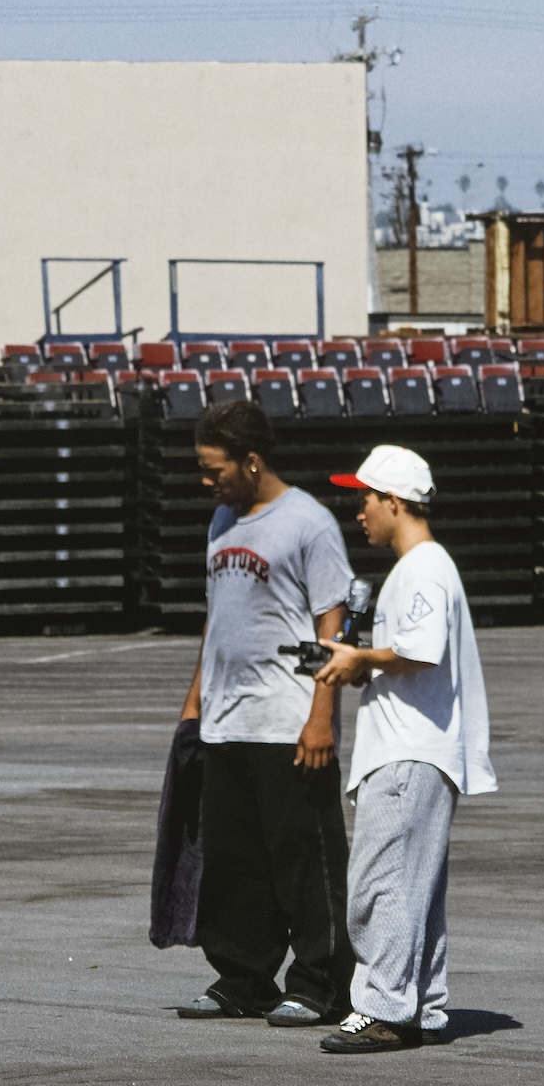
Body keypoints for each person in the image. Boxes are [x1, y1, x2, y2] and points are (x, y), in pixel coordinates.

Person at [176, 399, 358, 1026]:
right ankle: (243, 978)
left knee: (304, 858)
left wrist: (321, 715)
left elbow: (332, 623)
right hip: (227, 721)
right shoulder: (222, 520)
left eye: (214, 469)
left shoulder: (307, 522)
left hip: (288, 719)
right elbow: (219, 616)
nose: (207, 482)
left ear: (251, 462)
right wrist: (196, 699)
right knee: (235, 862)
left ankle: (320, 982)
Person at [313, 445, 496, 1053]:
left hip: (407, 752)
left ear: (393, 501)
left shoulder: (421, 568)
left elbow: (421, 650)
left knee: (378, 884)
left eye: (365, 498)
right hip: (420, 749)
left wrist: (360, 657)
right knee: (413, 886)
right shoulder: (424, 567)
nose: (359, 511)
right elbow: (411, 660)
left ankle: (385, 1008)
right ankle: (421, 1005)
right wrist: (362, 666)